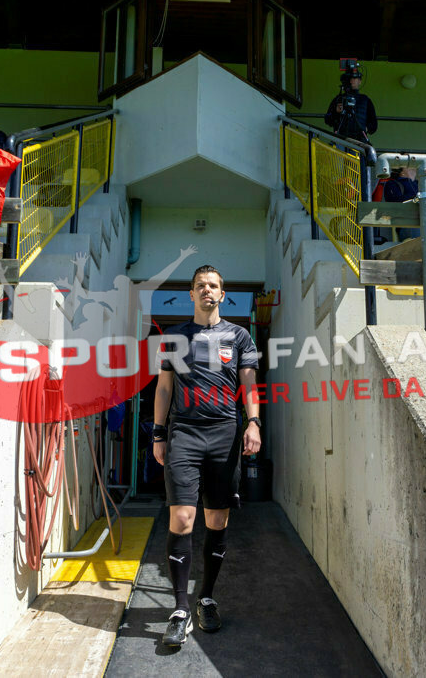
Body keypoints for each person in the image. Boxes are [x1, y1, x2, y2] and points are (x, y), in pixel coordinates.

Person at [153, 264, 261, 648]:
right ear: (191, 294)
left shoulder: (239, 335)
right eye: (200, 286)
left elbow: (249, 385)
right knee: (182, 518)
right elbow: (164, 388)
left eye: (213, 285)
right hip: (184, 434)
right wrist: (158, 432)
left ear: (223, 293)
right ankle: (180, 609)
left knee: (217, 521)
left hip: (224, 436)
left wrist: (254, 423)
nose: (207, 291)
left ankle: (207, 598)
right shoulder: (175, 336)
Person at [323, 70, 377, 142]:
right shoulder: (339, 99)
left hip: (360, 141)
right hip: (341, 139)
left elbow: (374, 124)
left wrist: (364, 129)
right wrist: (336, 113)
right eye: (350, 79)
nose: (352, 81)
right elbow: (328, 120)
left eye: (354, 78)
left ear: (360, 81)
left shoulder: (365, 100)